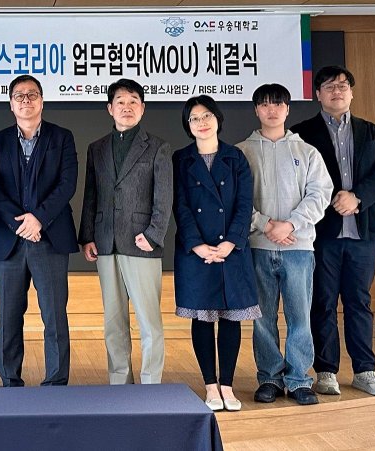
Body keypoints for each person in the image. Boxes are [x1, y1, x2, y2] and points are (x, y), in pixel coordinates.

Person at [290, 66, 375, 396]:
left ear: (351, 92)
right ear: (317, 94)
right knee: (322, 302)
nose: (337, 91)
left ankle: (365, 370)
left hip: (363, 231)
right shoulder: (301, 133)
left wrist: (357, 197)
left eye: (343, 86)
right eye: (329, 86)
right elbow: (298, 180)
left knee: (359, 302)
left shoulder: (371, 132)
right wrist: (331, 198)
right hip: (322, 233)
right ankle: (326, 371)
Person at [235, 84, 332, 406]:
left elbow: (320, 194)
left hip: (298, 247)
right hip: (258, 246)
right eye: (264, 104)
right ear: (256, 110)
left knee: (299, 316)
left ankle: (299, 379)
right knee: (262, 319)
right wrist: (265, 224)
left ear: (288, 109)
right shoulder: (242, 152)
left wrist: (290, 224)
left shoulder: (307, 152)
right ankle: (270, 379)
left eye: (278, 104)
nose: (271, 110)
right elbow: (236, 199)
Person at [0, 75, 78, 387]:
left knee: (54, 315)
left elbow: (67, 183)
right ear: (11, 104)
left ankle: (56, 381)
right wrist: (19, 224)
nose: (26, 100)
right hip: (9, 240)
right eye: (19, 96)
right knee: (9, 316)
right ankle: (10, 380)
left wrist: (38, 219)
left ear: (42, 101)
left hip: (50, 237)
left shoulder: (62, 137)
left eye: (32, 94)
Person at [78, 79, 172, 385]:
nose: (127, 107)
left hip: (142, 243)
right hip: (106, 243)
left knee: (149, 322)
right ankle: (119, 382)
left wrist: (154, 234)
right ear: (110, 108)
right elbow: (91, 195)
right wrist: (87, 236)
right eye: (120, 101)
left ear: (142, 108)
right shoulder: (97, 148)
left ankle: (151, 383)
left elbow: (163, 197)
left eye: (133, 101)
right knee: (113, 322)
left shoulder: (158, 147)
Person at [172, 95, 260, 412]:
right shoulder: (181, 160)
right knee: (203, 318)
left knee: (231, 317)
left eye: (207, 115)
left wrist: (231, 242)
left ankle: (227, 386)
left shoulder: (236, 157)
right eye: (195, 118)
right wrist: (197, 244)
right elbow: (179, 205)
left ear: (218, 119)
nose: (202, 122)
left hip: (231, 251)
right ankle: (210, 386)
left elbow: (244, 205)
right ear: (188, 125)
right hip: (195, 252)